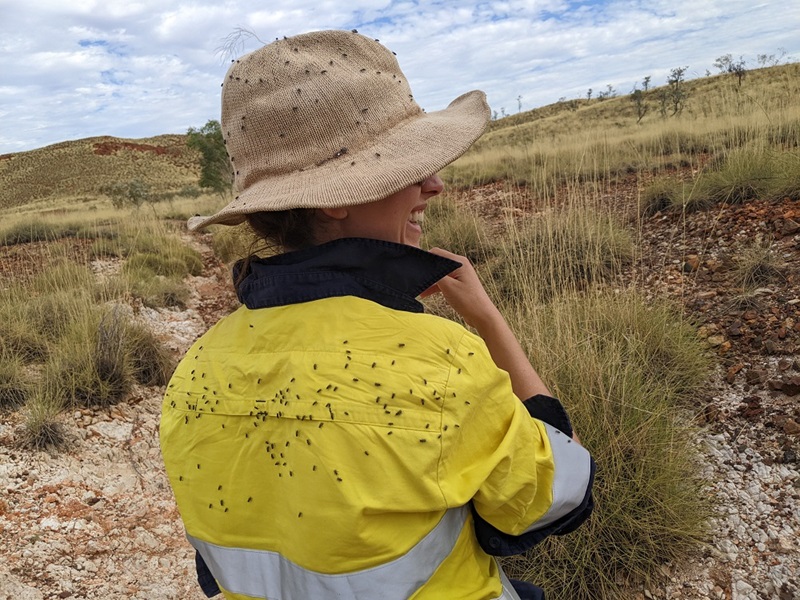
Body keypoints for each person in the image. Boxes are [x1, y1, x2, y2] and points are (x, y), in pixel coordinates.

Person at [160, 29, 595, 600]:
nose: (433, 184)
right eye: (410, 166)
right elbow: (559, 501)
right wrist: (489, 322)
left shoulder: (194, 374)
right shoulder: (439, 363)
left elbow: (219, 568)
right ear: (336, 197)